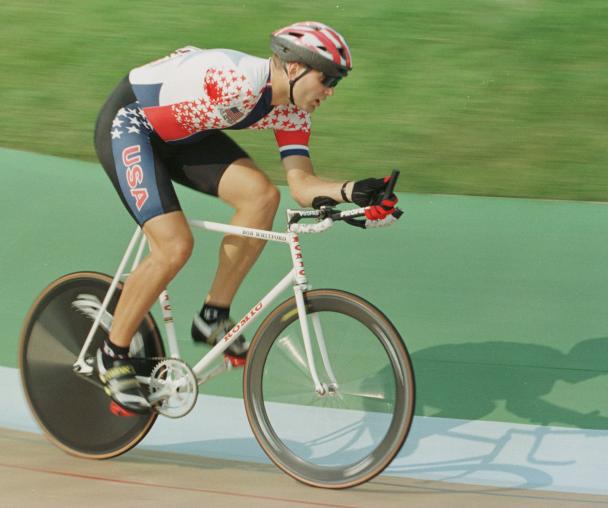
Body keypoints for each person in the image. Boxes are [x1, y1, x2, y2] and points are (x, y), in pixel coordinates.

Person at [93, 21, 398, 415]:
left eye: (336, 83)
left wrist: (354, 192)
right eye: (327, 80)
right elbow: (165, 117)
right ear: (293, 67)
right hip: (133, 125)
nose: (330, 92)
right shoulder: (235, 82)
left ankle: (212, 317)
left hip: (185, 133)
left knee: (262, 196)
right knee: (174, 245)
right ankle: (112, 353)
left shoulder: (292, 112)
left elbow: (301, 185)